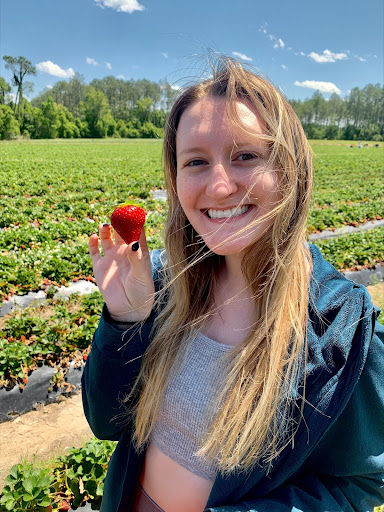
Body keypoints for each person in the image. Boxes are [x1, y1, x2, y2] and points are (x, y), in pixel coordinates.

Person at [82, 57, 384, 512]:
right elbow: (106, 422)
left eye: (245, 156)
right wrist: (128, 320)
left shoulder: (342, 328)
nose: (219, 187)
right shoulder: (163, 282)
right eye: (196, 162)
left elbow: (362, 482)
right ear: (175, 179)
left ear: (290, 170)